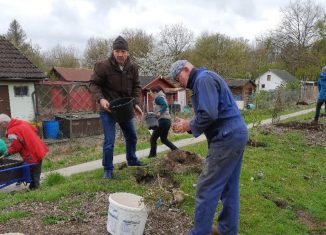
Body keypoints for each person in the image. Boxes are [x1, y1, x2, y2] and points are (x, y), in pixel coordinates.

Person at [170, 60, 248, 235]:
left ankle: (200, 232)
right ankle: (227, 229)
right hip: (235, 133)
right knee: (229, 186)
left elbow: (209, 113)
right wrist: (188, 125)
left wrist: (189, 124)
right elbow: (210, 112)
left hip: (226, 137)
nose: (179, 82)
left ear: (186, 69)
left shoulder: (202, 80)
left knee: (206, 187)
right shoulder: (206, 78)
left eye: (178, 77)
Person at [90, 35, 145, 179]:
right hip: (108, 109)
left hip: (125, 108)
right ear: (113, 51)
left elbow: (137, 86)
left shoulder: (132, 67)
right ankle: (108, 169)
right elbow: (94, 84)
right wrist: (101, 99)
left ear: (127, 52)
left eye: (123, 51)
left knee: (132, 136)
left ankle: (132, 160)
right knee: (109, 141)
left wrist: (136, 104)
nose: (120, 54)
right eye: (117, 51)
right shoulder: (103, 66)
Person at [0, 114, 48, 190]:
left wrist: (6, 154)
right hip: (39, 147)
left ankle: (35, 188)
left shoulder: (11, 131)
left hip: (31, 152)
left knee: (33, 170)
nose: (1, 127)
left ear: (4, 123)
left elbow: (16, 147)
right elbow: (35, 130)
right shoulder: (22, 122)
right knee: (36, 169)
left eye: (0, 125)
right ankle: (33, 186)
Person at [147, 86, 178, 158]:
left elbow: (164, 105)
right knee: (163, 139)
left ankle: (152, 156)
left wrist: (159, 112)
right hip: (167, 121)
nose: (150, 94)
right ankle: (176, 150)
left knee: (153, 139)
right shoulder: (162, 96)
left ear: (155, 92)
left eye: (151, 93)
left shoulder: (158, 98)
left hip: (163, 121)